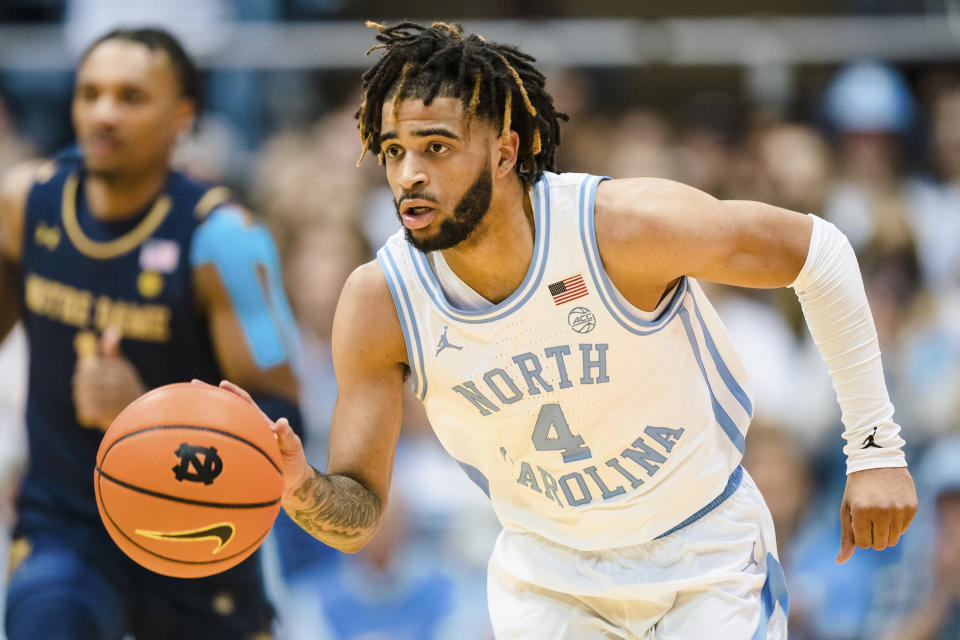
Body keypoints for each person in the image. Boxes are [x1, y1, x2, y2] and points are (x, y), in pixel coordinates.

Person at [222, 22, 917, 639]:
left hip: (700, 555)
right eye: (395, 151)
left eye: (436, 147)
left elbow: (819, 254)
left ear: (504, 149)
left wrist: (876, 447)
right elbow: (361, 513)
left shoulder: (618, 228)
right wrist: (301, 488)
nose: (410, 174)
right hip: (547, 580)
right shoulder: (379, 300)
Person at [0, 28, 301, 640]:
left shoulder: (227, 241)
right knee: (46, 617)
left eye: (131, 96)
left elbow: (286, 419)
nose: (104, 114)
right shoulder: (23, 204)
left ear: (182, 115)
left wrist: (149, 415)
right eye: (90, 93)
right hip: (68, 526)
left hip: (200, 527)